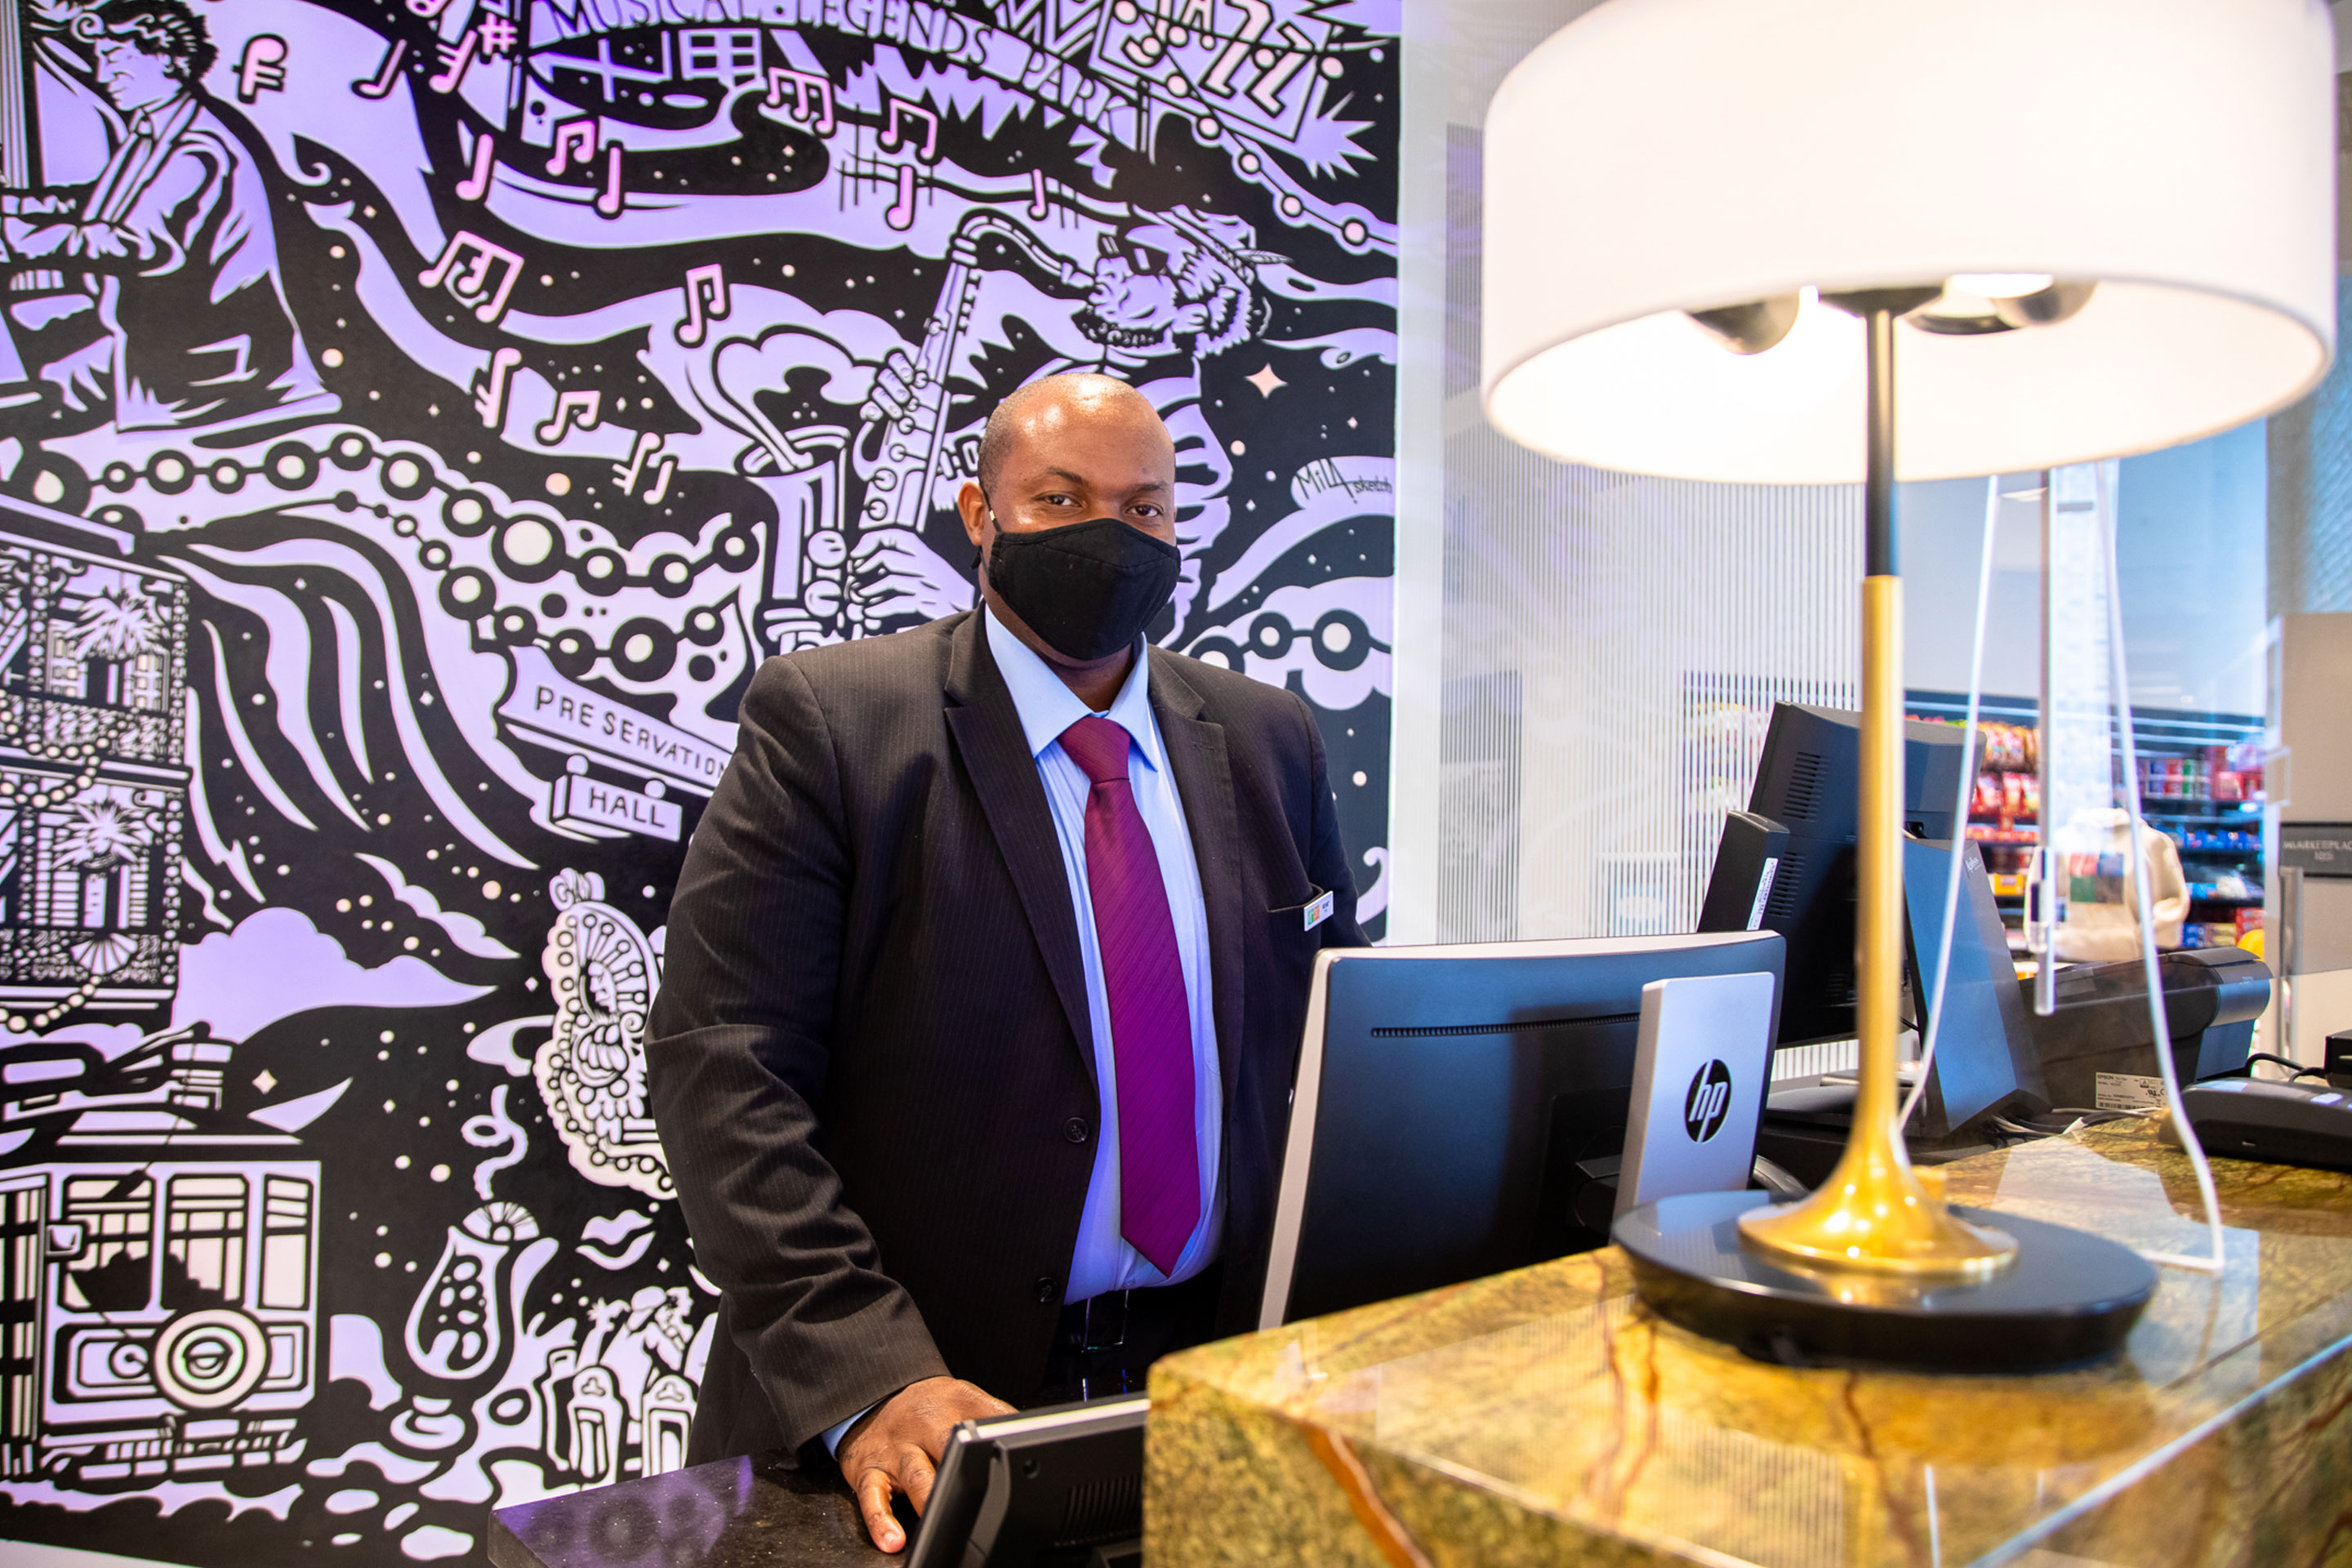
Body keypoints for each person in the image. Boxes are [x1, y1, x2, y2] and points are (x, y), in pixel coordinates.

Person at [648, 372, 1361, 1552]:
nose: (1108, 536)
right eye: (1061, 498)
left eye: (1144, 508)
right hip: (918, 1411)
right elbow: (722, 1068)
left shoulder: (1266, 736)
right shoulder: (834, 722)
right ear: (981, 516)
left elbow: (1338, 1030)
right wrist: (871, 1375)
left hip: (1208, 1383)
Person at [0, 0, 332, 431]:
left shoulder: (197, 149)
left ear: (168, 59)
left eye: (116, 61)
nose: (103, 75)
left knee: (31, 401)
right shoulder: (153, 130)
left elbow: (141, 246)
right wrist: (18, 207)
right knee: (36, 372)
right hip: (162, 344)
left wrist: (18, 239)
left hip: (210, 370)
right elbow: (102, 204)